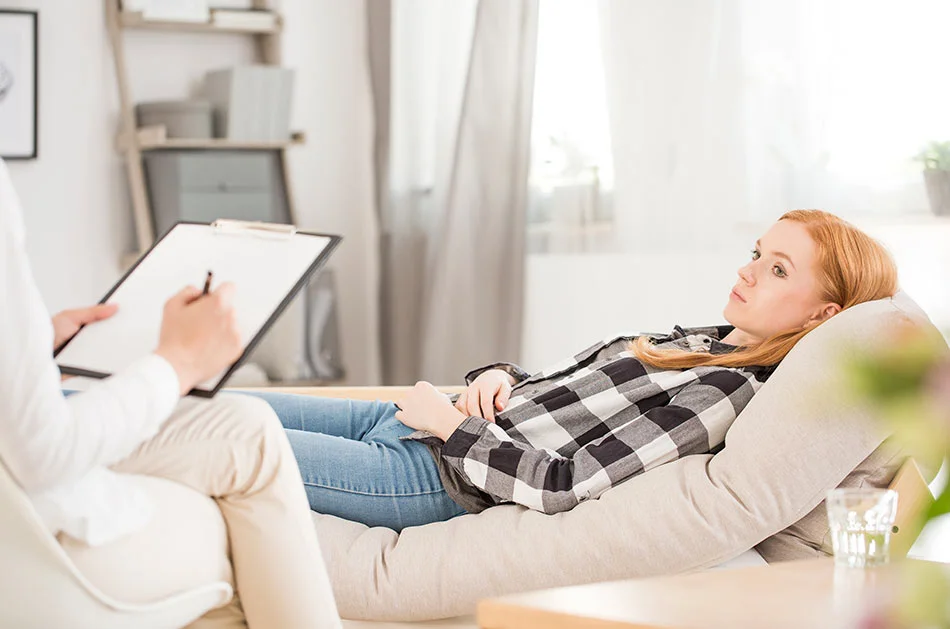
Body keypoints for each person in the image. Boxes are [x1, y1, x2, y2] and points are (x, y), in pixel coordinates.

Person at [240, 209, 898, 531]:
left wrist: (449, 427)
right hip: (429, 421)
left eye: (778, 268)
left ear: (821, 316)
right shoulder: (707, 341)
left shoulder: (726, 391)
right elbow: (566, 398)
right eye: (757, 252)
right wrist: (501, 376)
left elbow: (567, 481)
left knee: (224, 441)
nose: (746, 269)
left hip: (432, 473)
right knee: (217, 405)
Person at [0, 160, 341, 629]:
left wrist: (30, 352)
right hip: (25, 525)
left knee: (251, 423)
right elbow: (42, 454)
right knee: (252, 444)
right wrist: (178, 362)